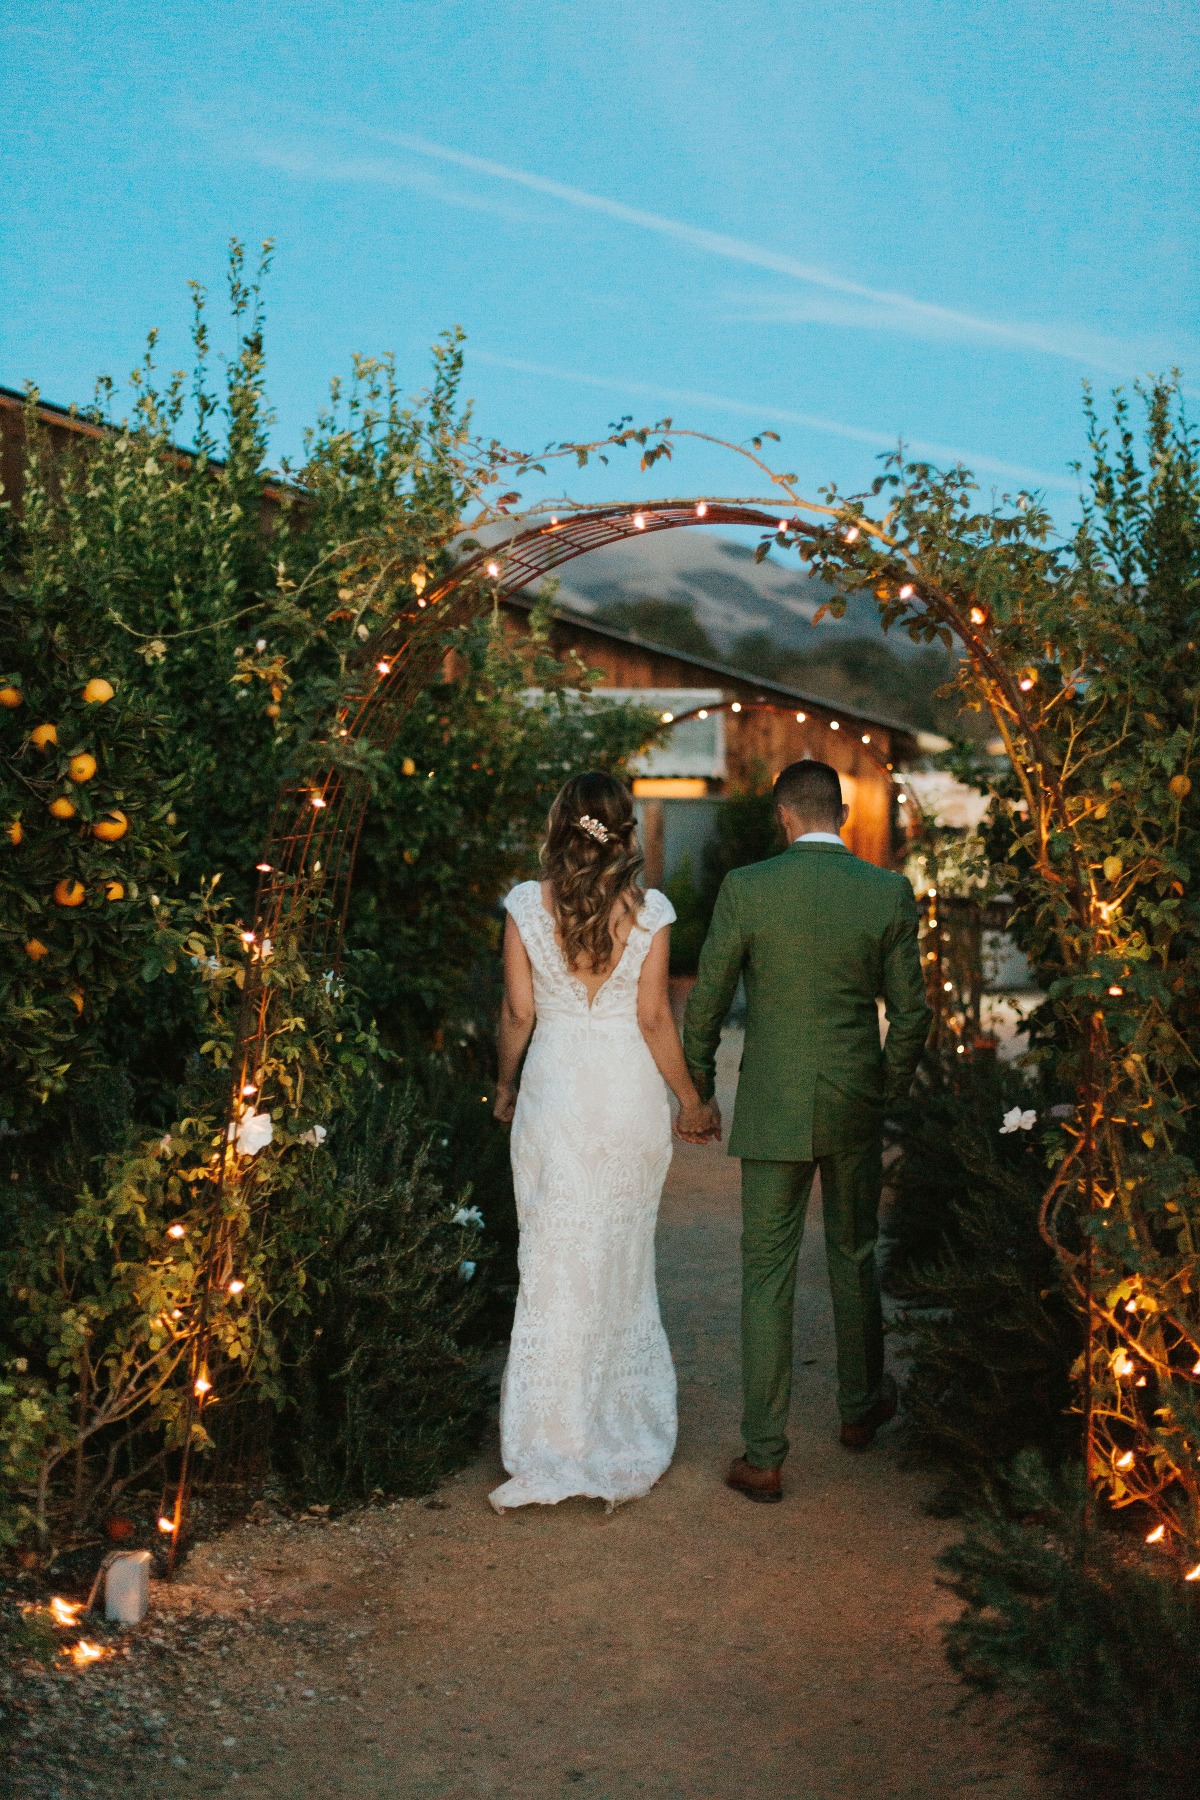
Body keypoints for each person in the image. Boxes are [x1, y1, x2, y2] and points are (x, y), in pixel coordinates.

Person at [682, 759, 931, 1503]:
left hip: (771, 1102)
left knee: (766, 1272)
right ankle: (858, 1413)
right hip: (854, 1099)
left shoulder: (748, 888)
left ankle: (764, 1455)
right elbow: (912, 1014)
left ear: (783, 816)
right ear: (842, 815)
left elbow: (708, 999)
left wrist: (699, 1089)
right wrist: (884, 1088)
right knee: (854, 1252)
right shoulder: (886, 890)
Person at [491, 771, 717, 1512]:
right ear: (622, 831)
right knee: (618, 1257)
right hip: (624, 1095)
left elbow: (519, 1014)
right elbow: (654, 1019)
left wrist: (504, 1085)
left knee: (553, 1254)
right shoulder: (650, 911)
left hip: (556, 1088)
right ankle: (617, 1424)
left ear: (562, 823)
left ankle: (550, 1435)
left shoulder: (527, 904)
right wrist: (691, 1101)